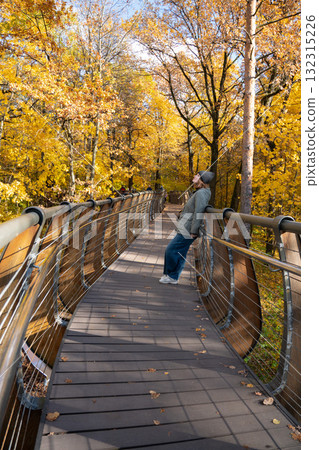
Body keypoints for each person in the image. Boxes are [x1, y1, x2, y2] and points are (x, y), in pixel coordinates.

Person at [159, 170, 214, 285]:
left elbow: (198, 212)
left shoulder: (201, 193)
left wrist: (194, 231)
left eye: (198, 175)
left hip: (188, 229)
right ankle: (173, 276)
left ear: (202, 180)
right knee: (180, 252)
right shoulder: (199, 192)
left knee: (171, 250)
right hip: (186, 227)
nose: (195, 176)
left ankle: (171, 275)